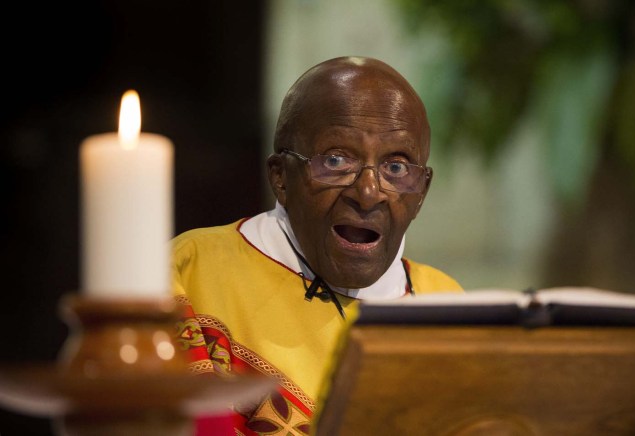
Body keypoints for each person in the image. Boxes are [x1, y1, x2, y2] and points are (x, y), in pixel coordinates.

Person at [171, 56, 462, 435]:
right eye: (336, 159)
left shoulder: (449, 307)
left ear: (421, 192)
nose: (369, 193)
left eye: (396, 167)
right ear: (280, 178)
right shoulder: (193, 272)